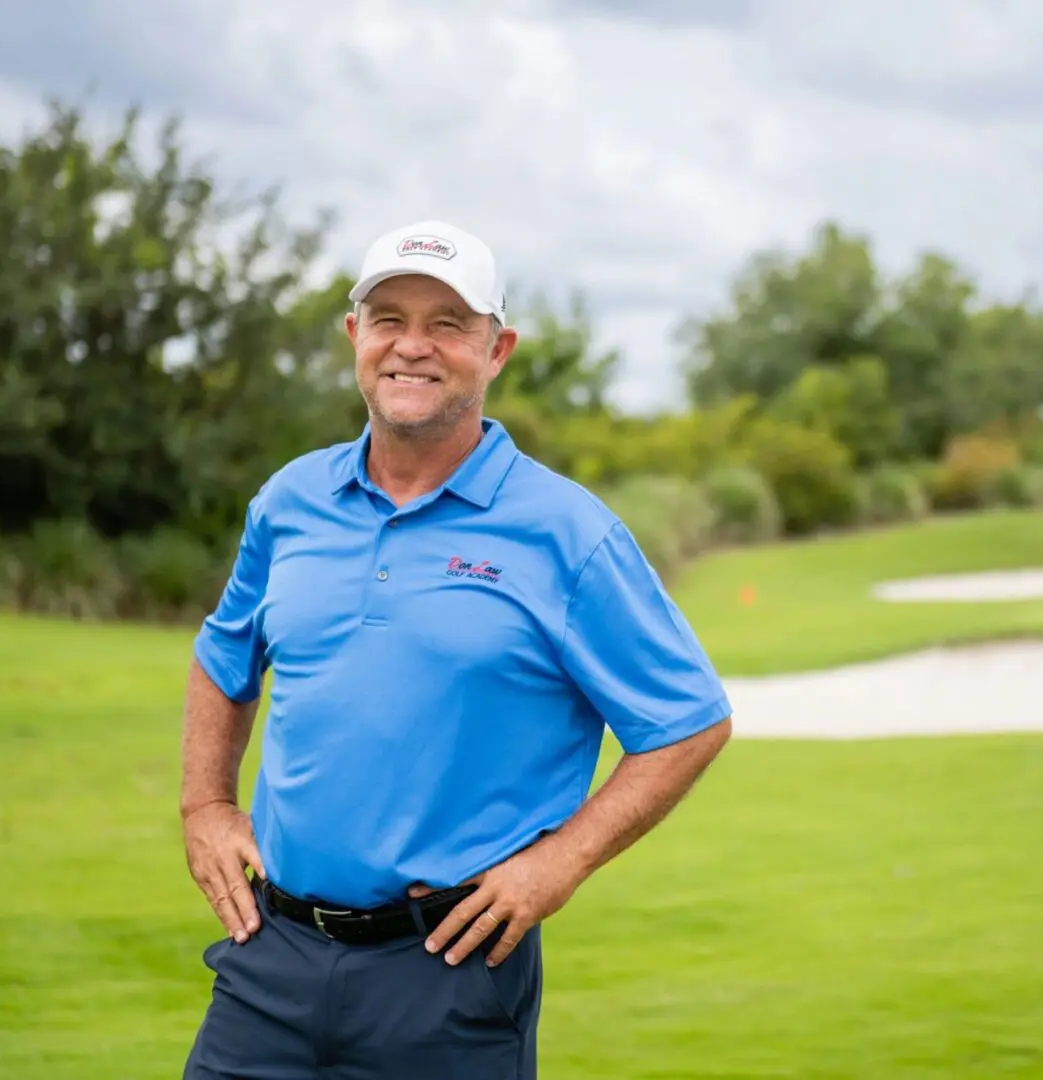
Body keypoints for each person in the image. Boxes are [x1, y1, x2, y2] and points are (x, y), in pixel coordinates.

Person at [177, 219, 733, 1078]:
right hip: (270, 957)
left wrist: (558, 864)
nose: (413, 346)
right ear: (355, 335)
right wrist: (205, 807)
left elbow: (688, 721)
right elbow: (223, 660)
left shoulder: (569, 533)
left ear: (497, 349)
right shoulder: (291, 501)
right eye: (389, 317)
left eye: (448, 324)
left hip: (448, 974)